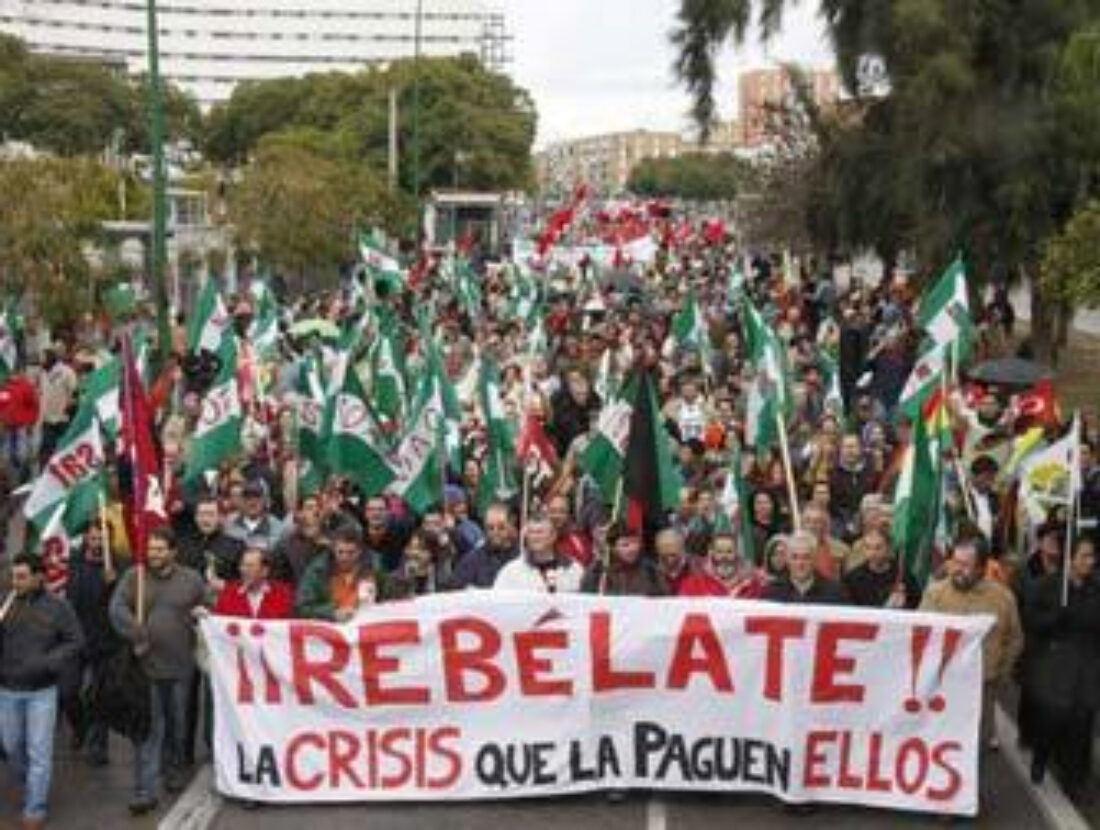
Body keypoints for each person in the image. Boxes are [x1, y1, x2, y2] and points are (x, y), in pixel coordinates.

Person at [110, 527, 207, 814]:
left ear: (173, 552)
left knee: (177, 726)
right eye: (151, 549)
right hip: (145, 670)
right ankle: (145, 790)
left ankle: (173, 768)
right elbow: (116, 609)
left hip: (180, 669)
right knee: (149, 730)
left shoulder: (192, 580)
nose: (154, 555)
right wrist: (137, 634)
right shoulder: (134, 577)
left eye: (160, 549)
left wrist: (205, 609)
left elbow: (208, 607)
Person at [0, 554, 84, 829]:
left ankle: (35, 808)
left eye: (22, 577)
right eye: (14, 576)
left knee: (39, 751)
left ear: (39, 577)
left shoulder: (58, 608)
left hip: (42, 691)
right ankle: (32, 785)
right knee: (11, 748)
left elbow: (75, 641)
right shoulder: (6, 603)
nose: (16, 582)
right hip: (8, 689)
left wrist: (49, 662)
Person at [920, 538, 1023, 752]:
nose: (957, 570)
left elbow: (1014, 639)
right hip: (942, 688)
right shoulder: (935, 594)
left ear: (982, 568)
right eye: (955, 562)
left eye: (965, 565)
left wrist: (999, 673)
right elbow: (921, 635)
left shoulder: (1003, 598)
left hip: (983, 689)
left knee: (974, 749)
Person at [1022, 537, 1100, 795]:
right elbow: (1031, 622)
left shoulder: (1095, 587)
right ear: (1070, 558)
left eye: (1092, 556)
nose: (1091, 561)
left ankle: (1073, 779)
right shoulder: (1047, 586)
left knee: (1081, 721)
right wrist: (1056, 616)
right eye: (1085, 556)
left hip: (1086, 664)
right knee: (1053, 718)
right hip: (1054, 663)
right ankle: (1041, 754)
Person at [64, 523, 122, 766]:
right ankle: (80, 726)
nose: (97, 543)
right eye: (93, 538)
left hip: (104, 643)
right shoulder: (74, 562)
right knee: (68, 692)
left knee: (99, 695)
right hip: (76, 640)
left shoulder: (118, 565)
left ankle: (98, 747)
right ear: (86, 539)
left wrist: (113, 584)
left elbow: (123, 603)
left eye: (102, 539)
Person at [296, 525, 386, 620]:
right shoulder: (317, 570)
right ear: (333, 549)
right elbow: (303, 607)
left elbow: (388, 599)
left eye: (350, 553)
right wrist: (332, 613)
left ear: (360, 551)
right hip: (332, 627)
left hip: (366, 623)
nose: (344, 558)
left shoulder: (375, 567)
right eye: (340, 552)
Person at [494, 513, 583, 593]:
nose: (535, 537)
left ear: (553, 536)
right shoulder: (511, 572)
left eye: (540, 532)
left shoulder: (573, 569)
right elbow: (497, 602)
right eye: (531, 532)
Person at [762, 531, 848, 605]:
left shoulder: (836, 593)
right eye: (795, 557)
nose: (800, 563)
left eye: (806, 557)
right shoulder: (771, 593)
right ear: (787, 559)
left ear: (814, 559)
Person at [843, 528, 921, 609]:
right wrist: (887, 606)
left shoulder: (902, 574)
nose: (872, 553)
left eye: (878, 548)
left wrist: (904, 605)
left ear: (888, 548)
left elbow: (916, 604)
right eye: (868, 547)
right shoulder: (853, 578)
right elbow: (851, 611)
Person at [210, 546, 295, 619]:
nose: (243, 570)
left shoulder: (282, 593)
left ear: (264, 571)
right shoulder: (229, 592)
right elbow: (218, 622)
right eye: (242, 565)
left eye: (250, 566)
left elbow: (288, 625)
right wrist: (207, 617)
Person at [679, 531, 769, 598]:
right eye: (719, 551)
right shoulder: (694, 583)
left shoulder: (752, 584)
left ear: (737, 553)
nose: (724, 556)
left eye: (729, 551)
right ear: (712, 553)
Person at [581, 524, 665, 596]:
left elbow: (663, 599)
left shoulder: (650, 571)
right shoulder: (600, 570)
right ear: (613, 548)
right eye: (625, 545)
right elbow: (586, 596)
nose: (632, 549)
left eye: (635, 543)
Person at [179, 494, 245, 581]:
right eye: (201, 515)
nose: (205, 520)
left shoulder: (236, 546)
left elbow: (242, 582)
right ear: (195, 518)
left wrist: (225, 586)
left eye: (211, 514)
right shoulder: (185, 544)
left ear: (220, 517)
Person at [452, 503, 519, 589]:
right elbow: (455, 590)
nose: (495, 533)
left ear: (512, 527)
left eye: (501, 527)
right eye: (490, 528)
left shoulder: (523, 557)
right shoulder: (471, 560)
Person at [270, 492, 329, 585]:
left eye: (319, 507)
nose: (316, 511)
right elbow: (278, 581)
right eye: (310, 508)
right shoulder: (285, 544)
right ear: (299, 514)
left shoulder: (333, 540)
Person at [224, 479, 285, 549]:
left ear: (264, 500)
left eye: (257, 497)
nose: (252, 502)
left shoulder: (277, 528)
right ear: (242, 501)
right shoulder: (230, 525)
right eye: (248, 498)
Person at [654, 528, 698, 594]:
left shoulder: (697, 569)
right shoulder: (652, 574)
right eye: (664, 556)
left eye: (673, 555)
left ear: (682, 549)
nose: (669, 560)